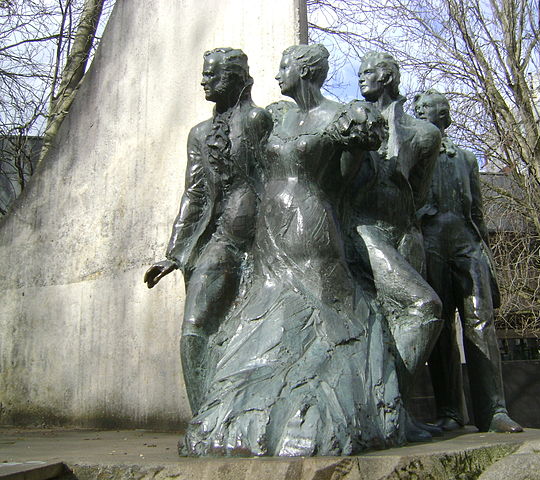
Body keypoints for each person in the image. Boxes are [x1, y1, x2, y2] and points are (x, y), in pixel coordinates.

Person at [180, 44, 410, 457]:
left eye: (284, 65)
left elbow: (353, 177)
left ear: (305, 71)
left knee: (314, 312)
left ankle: (318, 416)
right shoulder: (276, 117)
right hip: (269, 231)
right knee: (263, 318)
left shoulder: (341, 116)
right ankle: (243, 420)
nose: (277, 74)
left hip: (310, 225)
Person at [144, 48, 272, 414]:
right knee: (194, 327)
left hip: (265, 242)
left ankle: (247, 411)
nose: (204, 81)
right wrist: (175, 253)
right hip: (218, 241)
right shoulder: (199, 134)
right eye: (204, 74)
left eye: (212, 75)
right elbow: (195, 193)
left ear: (235, 78)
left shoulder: (259, 121)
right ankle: (204, 416)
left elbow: (275, 177)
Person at [413, 89, 523, 433]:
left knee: (481, 323)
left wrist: (485, 252)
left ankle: (493, 411)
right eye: (417, 110)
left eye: (425, 110)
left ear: (443, 117)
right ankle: (451, 411)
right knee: (441, 326)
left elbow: (476, 210)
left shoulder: (467, 159)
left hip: (467, 243)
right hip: (430, 242)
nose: (419, 114)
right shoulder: (413, 156)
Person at [351, 52, 443, 435]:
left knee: (401, 322)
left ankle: (393, 411)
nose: (361, 79)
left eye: (368, 72)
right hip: (363, 229)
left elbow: (418, 192)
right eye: (358, 74)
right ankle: (382, 410)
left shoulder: (425, 134)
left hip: (405, 232)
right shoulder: (351, 117)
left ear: (388, 76)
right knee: (424, 305)